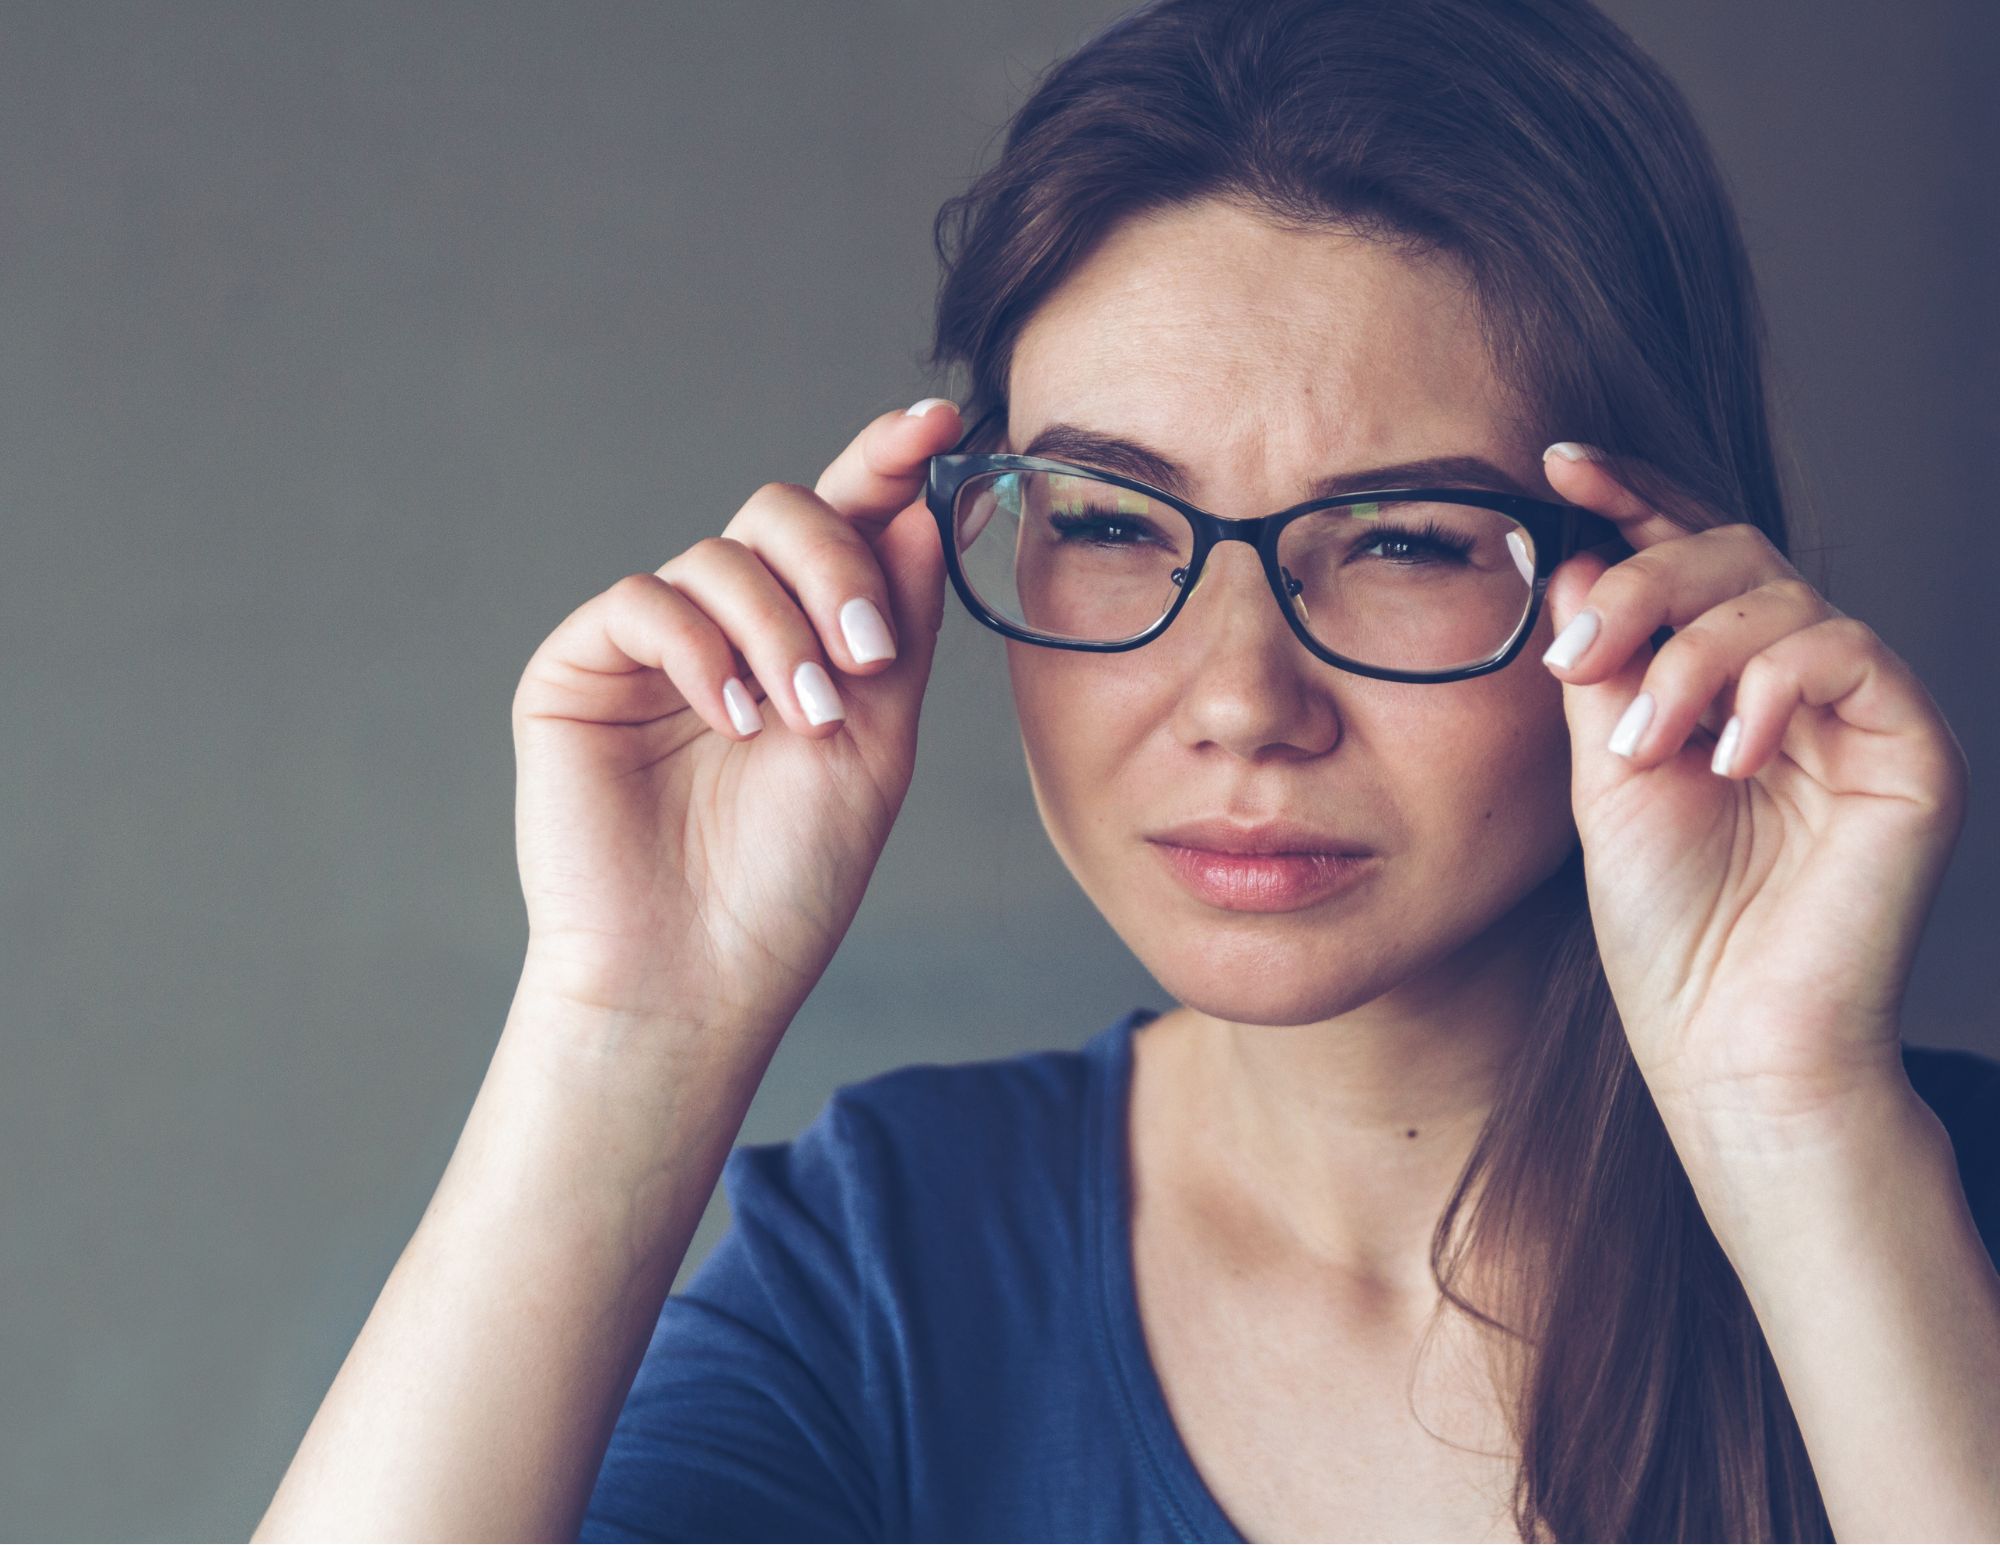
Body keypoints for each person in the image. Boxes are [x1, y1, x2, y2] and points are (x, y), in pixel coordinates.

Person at [254, 0, 1998, 1540]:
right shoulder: (897, 1269)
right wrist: (623, 1029)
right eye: (1100, 520)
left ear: (1672, 571)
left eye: (1398, 540)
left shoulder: (1925, 1208)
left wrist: (1793, 1124)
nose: (1238, 699)